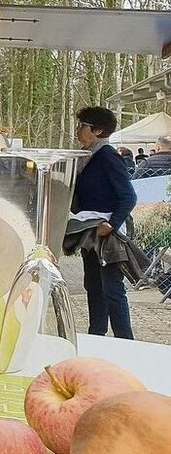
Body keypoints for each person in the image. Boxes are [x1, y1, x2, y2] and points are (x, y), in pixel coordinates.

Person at [72, 106, 138, 339]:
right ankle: (96, 335)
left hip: (108, 233)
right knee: (93, 285)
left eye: (83, 126)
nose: (78, 129)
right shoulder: (86, 156)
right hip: (89, 230)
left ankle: (125, 340)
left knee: (111, 288)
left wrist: (111, 224)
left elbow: (128, 196)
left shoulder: (108, 157)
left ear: (98, 131)